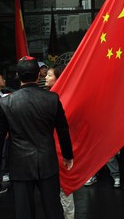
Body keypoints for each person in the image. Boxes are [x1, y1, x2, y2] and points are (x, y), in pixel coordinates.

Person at [0, 56, 73, 219]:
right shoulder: (52, 99)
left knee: (24, 211)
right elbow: (63, 129)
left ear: (18, 76)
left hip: (20, 164)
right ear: (38, 76)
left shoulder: (6, 103)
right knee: (53, 209)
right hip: (47, 161)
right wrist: (68, 155)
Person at [45, 64, 75, 219]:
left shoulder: (61, 97)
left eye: (49, 75)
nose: (45, 77)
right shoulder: (50, 96)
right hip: (51, 148)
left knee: (64, 188)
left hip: (59, 148)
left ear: (58, 78)